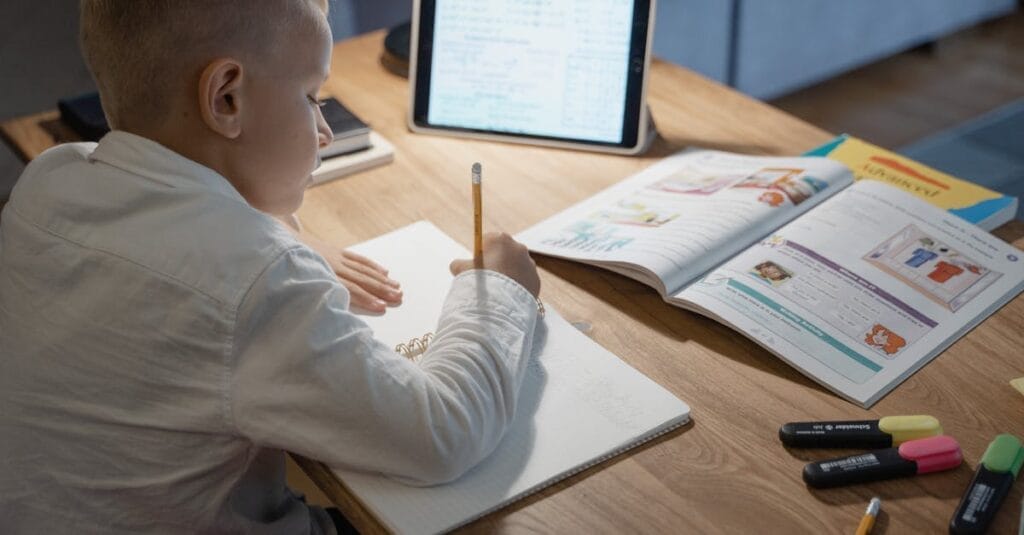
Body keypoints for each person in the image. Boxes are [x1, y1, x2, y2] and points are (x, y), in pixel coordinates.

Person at [0, 1, 542, 533]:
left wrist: (272, 229)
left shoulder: (51, 177)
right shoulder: (259, 281)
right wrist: (497, 290)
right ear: (226, 98)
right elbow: (441, 434)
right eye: (312, 98)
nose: (326, 132)